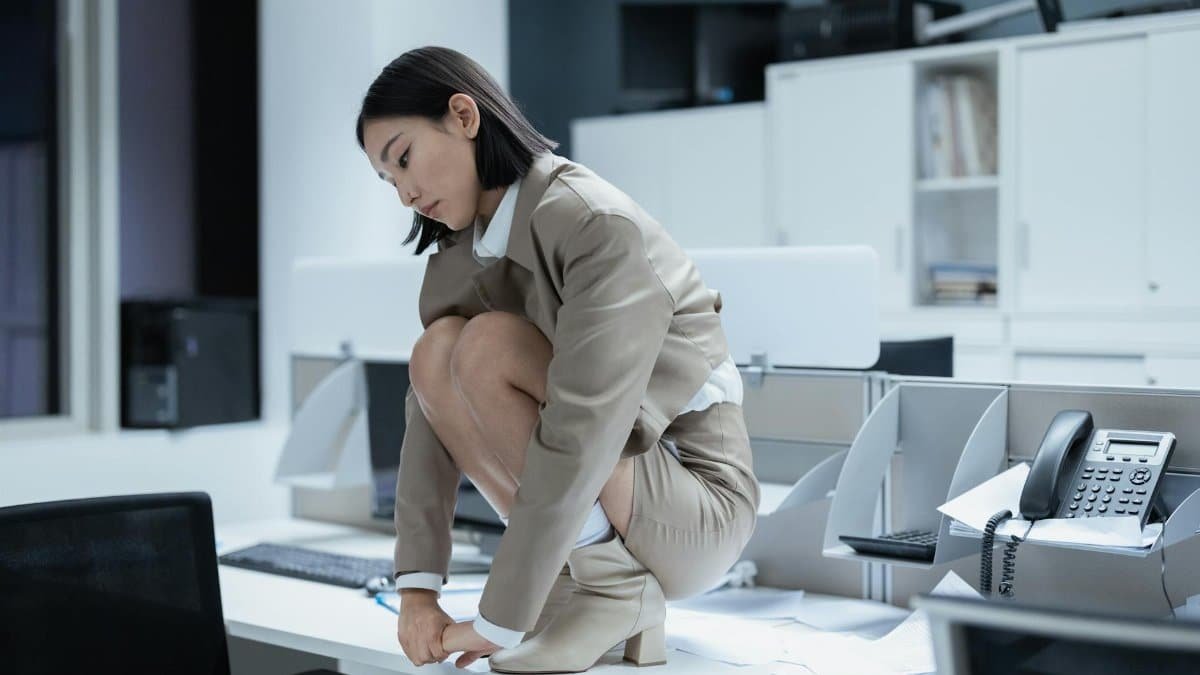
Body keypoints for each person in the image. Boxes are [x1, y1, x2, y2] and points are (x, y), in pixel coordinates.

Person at [356, 46, 760, 673]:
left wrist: (499, 614)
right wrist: (417, 590)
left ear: (464, 116)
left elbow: (583, 425)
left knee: (487, 347)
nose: (405, 194)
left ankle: (613, 588)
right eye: (388, 182)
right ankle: (587, 576)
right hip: (617, 495)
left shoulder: (593, 222)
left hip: (696, 508)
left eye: (404, 158)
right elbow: (429, 418)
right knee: (436, 352)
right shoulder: (465, 253)